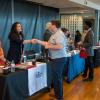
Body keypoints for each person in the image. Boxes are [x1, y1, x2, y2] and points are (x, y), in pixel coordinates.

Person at [32, 20, 67, 100]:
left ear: (54, 25)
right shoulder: (54, 34)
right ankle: (57, 95)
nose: (49, 26)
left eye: (50, 25)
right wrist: (38, 41)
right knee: (55, 78)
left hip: (59, 59)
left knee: (57, 78)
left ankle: (59, 97)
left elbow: (59, 46)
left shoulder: (59, 34)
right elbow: (47, 43)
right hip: (56, 59)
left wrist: (49, 47)